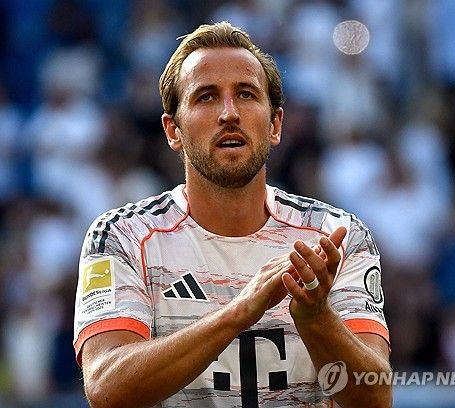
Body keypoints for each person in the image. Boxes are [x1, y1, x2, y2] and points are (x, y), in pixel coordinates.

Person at [73, 21, 392, 408]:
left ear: (275, 125)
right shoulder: (121, 236)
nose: (229, 113)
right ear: (173, 131)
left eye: (246, 94)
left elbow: (376, 397)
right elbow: (106, 388)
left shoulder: (336, 236)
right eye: (206, 97)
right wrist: (239, 311)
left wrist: (316, 317)